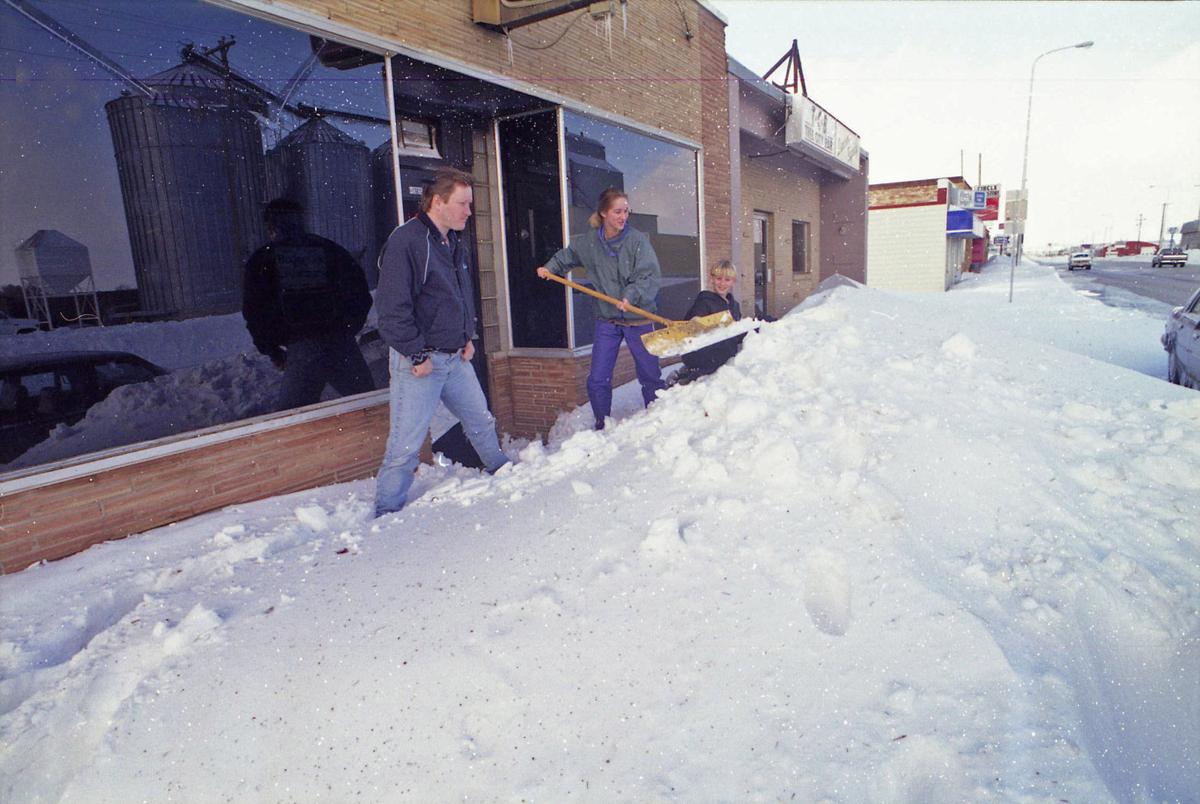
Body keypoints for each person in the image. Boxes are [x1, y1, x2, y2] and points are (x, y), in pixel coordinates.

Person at [373, 167, 508, 517]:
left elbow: (458, 295)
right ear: (438, 201)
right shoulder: (408, 241)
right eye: (462, 204)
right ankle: (385, 514)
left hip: (455, 358)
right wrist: (416, 353)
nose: (468, 211)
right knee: (405, 445)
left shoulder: (451, 240)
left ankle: (503, 472)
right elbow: (391, 310)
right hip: (420, 363)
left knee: (481, 420)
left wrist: (467, 336)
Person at [537, 187, 665, 430]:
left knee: (649, 373)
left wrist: (630, 296)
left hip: (638, 318)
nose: (623, 216)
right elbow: (568, 256)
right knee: (598, 378)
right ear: (604, 213)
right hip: (608, 319)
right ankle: (602, 423)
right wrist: (550, 268)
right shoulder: (589, 243)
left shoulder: (637, 241)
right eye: (617, 211)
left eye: (626, 211)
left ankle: (657, 418)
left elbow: (647, 276)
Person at [242, 198, 374, 411]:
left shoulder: (263, 259)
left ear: (270, 226)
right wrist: (347, 330)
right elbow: (360, 295)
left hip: (302, 348)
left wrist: (272, 349)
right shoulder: (329, 250)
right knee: (369, 406)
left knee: (294, 418)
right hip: (340, 344)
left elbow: (255, 312)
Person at [672, 259, 745, 386]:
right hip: (707, 357)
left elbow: (737, 333)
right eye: (718, 278)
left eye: (727, 280)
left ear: (733, 282)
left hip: (726, 357)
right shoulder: (705, 301)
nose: (722, 283)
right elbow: (696, 317)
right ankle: (685, 376)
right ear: (711, 279)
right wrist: (696, 321)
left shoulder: (734, 306)